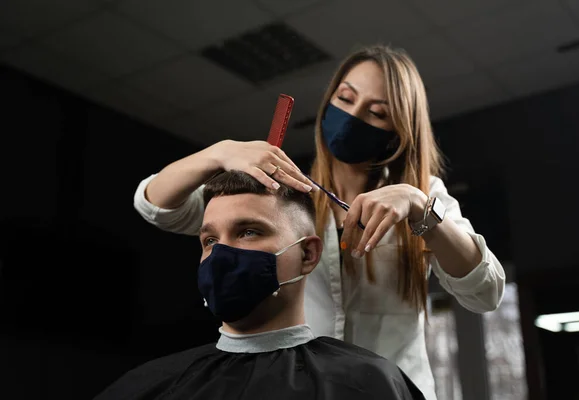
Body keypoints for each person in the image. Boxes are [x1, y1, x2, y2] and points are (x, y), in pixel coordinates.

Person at [133, 45, 506, 399]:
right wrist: (219, 153)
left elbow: (485, 292)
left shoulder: (425, 196)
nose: (353, 117)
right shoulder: (287, 193)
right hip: (302, 388)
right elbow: (156, 206)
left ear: (400, 129)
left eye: (376, 113)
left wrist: (419, 207)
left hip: (392, 390)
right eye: (344, 99)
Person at [98, 171, 425, 400]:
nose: (221, 254)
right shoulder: (149, 386)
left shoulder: (368, 385)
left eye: (248, 231)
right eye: (210, 240)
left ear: (307, 254)